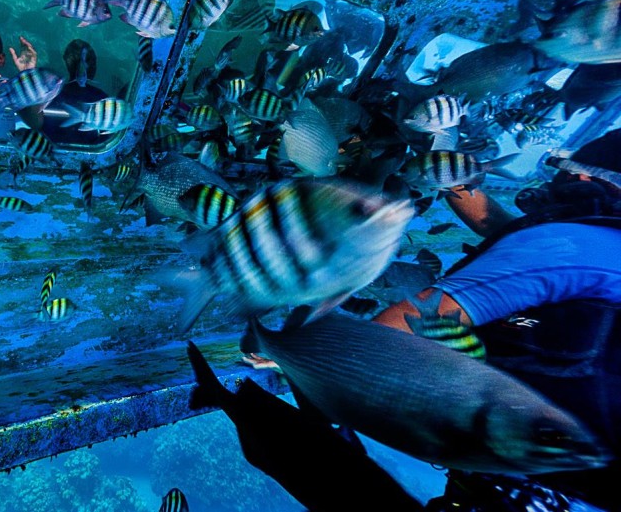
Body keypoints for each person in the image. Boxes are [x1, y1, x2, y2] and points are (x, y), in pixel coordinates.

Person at [194, 128, 621, 512]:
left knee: (311, 457)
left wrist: (294, 353)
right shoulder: (603, 244)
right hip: (580, 485)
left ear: (581, 177)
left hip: (529, 488)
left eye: (557, 173)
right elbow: (506, 233)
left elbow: (387, 339)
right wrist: (437, 159)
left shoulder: (565, 244)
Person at [42, 39, 111, 145]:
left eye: (86, 61)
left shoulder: (52, 95)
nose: (82, 68)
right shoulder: (102, 98)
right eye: (78, 62)